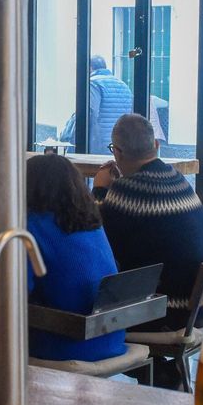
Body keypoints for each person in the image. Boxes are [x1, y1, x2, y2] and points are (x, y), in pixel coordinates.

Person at [95, 113, 203, 335]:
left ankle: (157, 371)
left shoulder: (126, 191)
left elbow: (96, 242)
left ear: (117, 153)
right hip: (201, 307)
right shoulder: (179, 179)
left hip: (166, 311)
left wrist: (100, 190)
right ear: (156, 145)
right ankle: (161, 371)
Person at [26, 154, 126, 363]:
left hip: (66, 344)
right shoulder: (91, 223)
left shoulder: (30, 227)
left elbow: (15, 292)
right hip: (112, 338)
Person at [59, 55, 134, 154]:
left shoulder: (93, 83)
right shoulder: (124, 86)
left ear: (90, 67)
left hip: (100, 146)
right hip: (118, 146)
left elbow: (89, 112)